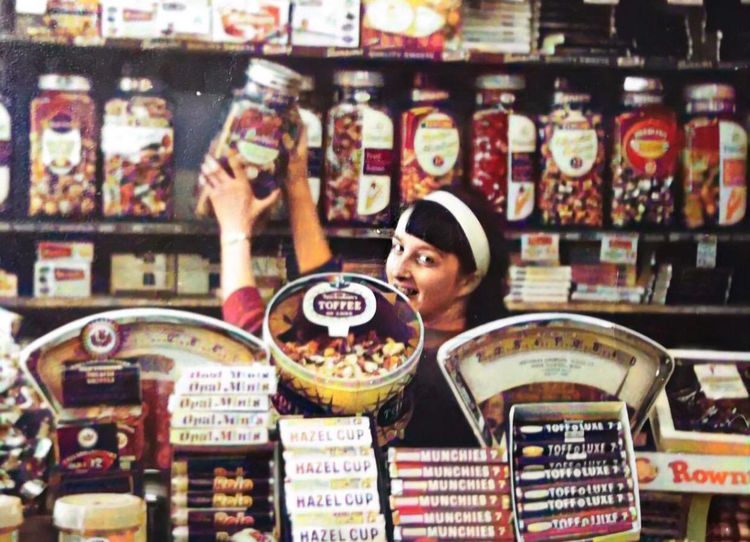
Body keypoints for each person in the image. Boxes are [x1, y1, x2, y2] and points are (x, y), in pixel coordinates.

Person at [200, 132, 509, 446]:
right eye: (398, 248)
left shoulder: (432, 369)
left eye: (425, 259)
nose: (400, 270)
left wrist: (235, 232)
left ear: (468, 281)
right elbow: (328, 287)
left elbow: (260, 354)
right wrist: (296, 180)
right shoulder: (443, 342)